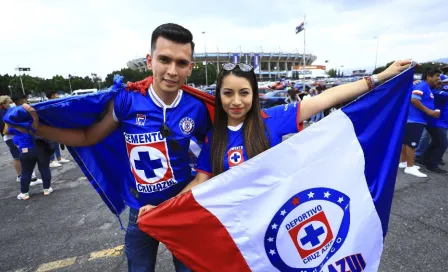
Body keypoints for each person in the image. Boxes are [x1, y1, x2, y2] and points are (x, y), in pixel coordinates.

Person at [17, 23, 211, 272]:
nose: (172, 71)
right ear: (150, 61)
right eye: (164, 59)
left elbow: (217, 145)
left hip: (182, 208)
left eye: (181, 63)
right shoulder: (128, 100)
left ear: (190, 68)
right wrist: (37, 129)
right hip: (140, 211)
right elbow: (88, 136)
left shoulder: (196, 107)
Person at [137, 59, 412, 213]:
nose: (236, 101)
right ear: (218, 96)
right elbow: (200, 181)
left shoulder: (273, 119)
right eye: (228, 93)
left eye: (244, 93)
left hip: (274, 216)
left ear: (254, 95)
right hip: (236, 221)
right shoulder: (214, 138)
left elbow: (327, 97)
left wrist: (380, 76)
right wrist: (162, 208)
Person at [399, 67, 441, 177]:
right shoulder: (422, 85)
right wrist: (429, 111)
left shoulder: (424, 86)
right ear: (428, 76)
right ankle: (410, 167)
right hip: (415, 119)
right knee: (412, 144)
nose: (439, 78)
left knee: (406, 142)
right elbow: (414, 99)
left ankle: (404, 162)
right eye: (436, 76)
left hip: (414, 119)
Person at [9, 94, 51, 200]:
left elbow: (10, 134)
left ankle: (25, 193)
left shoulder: (14, 121)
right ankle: (46, 189)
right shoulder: (36, 116)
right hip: (40, 147)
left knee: (26, 172)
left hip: (25, 149)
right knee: (44, 168)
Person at [1, 95, 39, 183]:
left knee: (20, 156)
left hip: (14, 136)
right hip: (12, 137)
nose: (12, 104)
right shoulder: (3, 113)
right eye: (10, 102)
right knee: (20, 157)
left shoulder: (7, 111)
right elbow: (5, 128)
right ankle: (25, 177)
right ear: (3, 103)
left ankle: (26, 177)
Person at [415, 75, 448, 172]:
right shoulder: (437, 92)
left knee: (437, 142)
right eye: (445, 82)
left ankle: (424, 159)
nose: (446, 84)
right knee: (442, 144)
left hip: (441, 123)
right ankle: (432, 165)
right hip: (436, 122)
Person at [45, 90, 70, 168]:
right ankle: (51, 161)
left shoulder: (54, 103)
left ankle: (58, 158)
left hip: (55, 126)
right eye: (56, 94)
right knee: (52, 144)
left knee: (56, 143)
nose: (58, 95)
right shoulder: (47, 104)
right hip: (50, 127)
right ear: (52, 96)